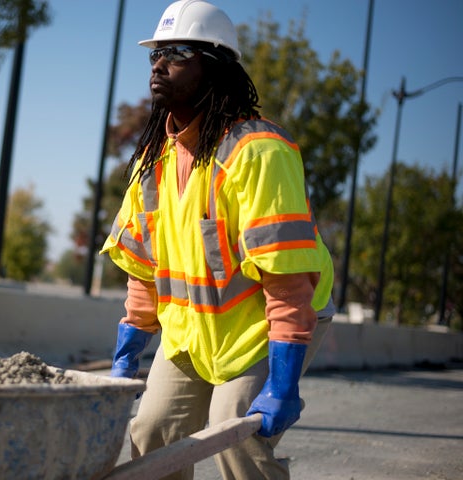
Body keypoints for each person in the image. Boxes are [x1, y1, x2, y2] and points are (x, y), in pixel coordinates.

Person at [100, 1, 336, 479]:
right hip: (193, 337)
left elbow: (288, 282)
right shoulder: (153, 161)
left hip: (264, 331)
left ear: (216, 66)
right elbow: (145, 269)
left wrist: (284, 383)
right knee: (152, 431)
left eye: (179, 52)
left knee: (237, 430)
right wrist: (128, 351)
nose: (160, 64)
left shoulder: (259, 153)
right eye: (155, 54)